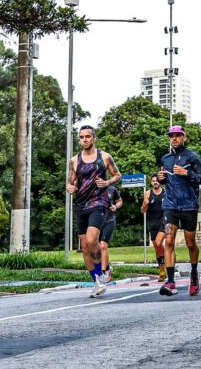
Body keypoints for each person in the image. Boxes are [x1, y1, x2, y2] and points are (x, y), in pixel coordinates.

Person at [65, 125, 122, 298]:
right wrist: (70, 188)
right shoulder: (74, 160)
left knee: (92, 240)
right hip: (81, 203)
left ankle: (102, 273)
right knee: (84, 246)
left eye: (88, 137)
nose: (84, 140)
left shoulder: (104, 157)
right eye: (82, 137)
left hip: (99, 202)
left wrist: (107, 183)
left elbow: (117, 175)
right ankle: (97, 280)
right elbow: (70, 181)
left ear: (94, 137)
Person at [157, 125, 201, 297]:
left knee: (190, 243)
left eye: (178, 135)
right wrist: (160, 178)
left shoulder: (192, 156)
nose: (174, 138)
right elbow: (165, 179)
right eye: (171, 136)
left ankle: (194, 274)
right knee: (169, 240)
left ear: (184, 137)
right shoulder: (165, 158)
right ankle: (171, 281)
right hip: (170, 204)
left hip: (189, 205)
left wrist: (187, 173)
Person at [141, 175, 167, 282]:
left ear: (160, 182)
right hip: (153, 223)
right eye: (153, 181)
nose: (155, 182)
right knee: (157, 249)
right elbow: (143, 210)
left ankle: (167, 261)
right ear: (151, 183)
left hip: (164, 221)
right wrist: (145, 204)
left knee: (158, 243)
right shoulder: (147, 193)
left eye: (157, 181)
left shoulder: (166, 193)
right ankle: (162, 270)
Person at [99, 185, 124, 282]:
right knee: (96, 249)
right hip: (96, 222)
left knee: (103, 246)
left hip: (109, 220)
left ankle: (103, 273)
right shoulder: (91, 188)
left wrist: (116, 206)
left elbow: (120, 201)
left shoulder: (112, 189)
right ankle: (108, 268)